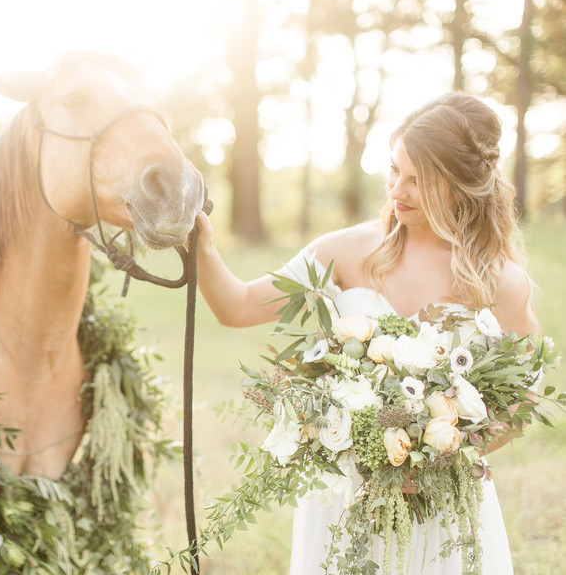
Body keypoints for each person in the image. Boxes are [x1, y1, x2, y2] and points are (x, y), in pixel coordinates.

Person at [194, 92, 537, 574]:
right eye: (395, 169)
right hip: (344, 502)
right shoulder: (347, 251)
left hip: (442, 504)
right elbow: (239, 306)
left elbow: (521, 403)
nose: (398, 190)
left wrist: (440, 456)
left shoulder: (498, 281)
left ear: (460, 185)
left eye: (420, 180)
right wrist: (204, 247)